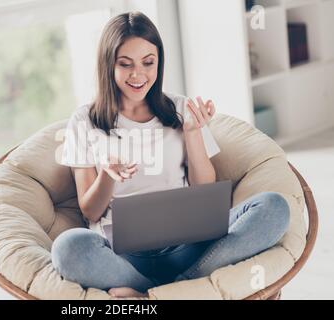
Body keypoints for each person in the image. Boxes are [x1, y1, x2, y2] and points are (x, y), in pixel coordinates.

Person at [51, 11, 290, 298]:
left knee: (274, 207)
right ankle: (187, 290)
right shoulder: (85, 121)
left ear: (159, 62)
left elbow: (205, 189)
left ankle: (160, 291)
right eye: (125, 64)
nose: (138, 75)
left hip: (190, 246)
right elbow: (89, 210)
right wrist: (106, 175)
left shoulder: (180, 108)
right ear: (108, 65)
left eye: (148, 63)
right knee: (67, 248)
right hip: (123, 257)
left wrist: (192, 133)